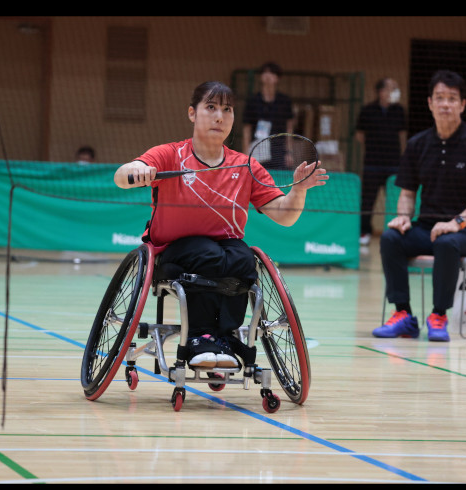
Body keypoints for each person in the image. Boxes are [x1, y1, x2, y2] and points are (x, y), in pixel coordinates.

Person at [114, 81, 326, 368]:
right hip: (173, 252)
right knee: (208, 253)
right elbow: (121, 175)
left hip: (225, 250)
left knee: (243, 259)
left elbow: (285, 215)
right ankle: (200, 338)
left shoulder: (246, 166)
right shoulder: (169, 155)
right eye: (211, 108)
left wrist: (299, 191)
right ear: (192, 113)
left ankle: (224, 339)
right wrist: (137, 169)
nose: (219, 117)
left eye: (227, 110)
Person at [373, 70, 466, 342]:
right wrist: (403, 217)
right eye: (440, 98)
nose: (446, 104)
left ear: (462, 105)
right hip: (427, 228)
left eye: (452, 98)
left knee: (447, 242)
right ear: (430, 103)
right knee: (390, 238)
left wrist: (455, 223)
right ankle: (404, 315)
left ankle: (439, 315)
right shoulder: (417, 144)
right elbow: (407, 193)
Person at [355, 77, 407, 246]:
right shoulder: (368, 110)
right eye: (391, 88)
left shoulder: (399, 110)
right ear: (381, 92)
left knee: (395, 200)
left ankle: (396, 232)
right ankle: (365, 232)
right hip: (372, 163)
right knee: (368, 201)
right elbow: (360, 135)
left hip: (393, 164)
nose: (395, 91)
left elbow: (402, 136)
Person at [242, 62, 295, 170]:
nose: (268, 76)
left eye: (272, 73)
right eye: (265, 72)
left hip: (278, 149)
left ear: (278, 78)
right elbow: (247, 129)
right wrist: (246, 154)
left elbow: (289, 128)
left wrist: (289, 152)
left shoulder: (284, 101)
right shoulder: (253, 101)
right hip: (257, 147)